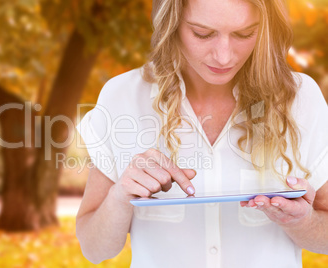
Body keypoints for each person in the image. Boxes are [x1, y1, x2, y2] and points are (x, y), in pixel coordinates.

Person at [75, 0, 328, 267]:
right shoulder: (122, 97)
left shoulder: (301, 99)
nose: (224, 56)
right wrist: (120, 196)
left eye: (244, 34)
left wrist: (304, 222)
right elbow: (93, 248)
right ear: (170, 25)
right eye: (202, 34)